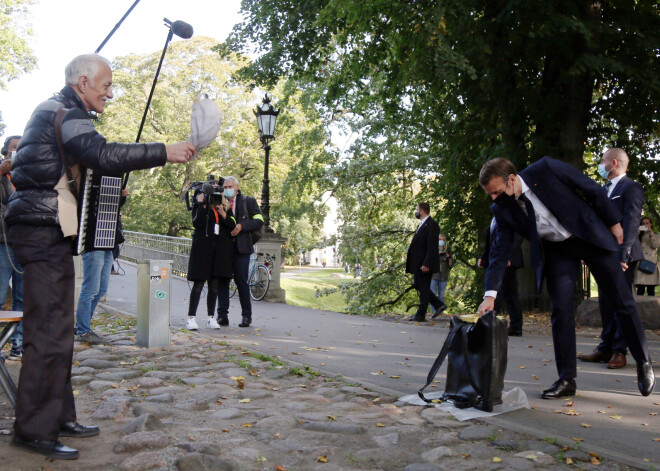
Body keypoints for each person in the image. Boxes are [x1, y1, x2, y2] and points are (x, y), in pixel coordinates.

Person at [5, 54, 194, 460]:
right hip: (42, 232)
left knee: (59, 328)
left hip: (46, 231)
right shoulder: (64, 112)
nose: (111, 92)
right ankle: (33, 430)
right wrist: (165, 150)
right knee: (48, 332)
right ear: (84, 81)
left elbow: (87, 165)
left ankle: (60, 415)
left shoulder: (62, 110)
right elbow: (103, 156)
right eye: (106, 85)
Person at [477, 157, 654, 400]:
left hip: (589, 236)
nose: (494, 199)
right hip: (557, 250)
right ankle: (566, 379)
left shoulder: (545, 169)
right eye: (490, 194)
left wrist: (614, 223)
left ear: (511, 179)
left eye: (497, 192)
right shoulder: (501, 208)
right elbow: (499, 253)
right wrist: (490, 297)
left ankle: (643, 361)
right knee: (560, 311)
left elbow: (590, 188)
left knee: (621, 301)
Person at [578, 148, 644, 369]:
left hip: (621, 255)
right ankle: (605, 348)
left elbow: (632, 222)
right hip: (602, 253)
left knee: (620, 304)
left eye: (602, 161)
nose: (600, 165)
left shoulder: (630, 187)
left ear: (613, 163)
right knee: (606, 303)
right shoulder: (604, 190)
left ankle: (619, 351)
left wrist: (623, 253)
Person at [75, 188, 128, 345]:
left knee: (101, 289)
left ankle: (82, 326)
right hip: (93, 245)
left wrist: (122, 198)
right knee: (90, 289)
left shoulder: (109, 188)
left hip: (108, 244)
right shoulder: (89, 188)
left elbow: (110, 210)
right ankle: (83, 330)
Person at [216, 176, 263, 328]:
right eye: (225, 187)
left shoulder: (248, 201)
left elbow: (259, 220)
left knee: (241, 282)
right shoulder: (219, 201)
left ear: (236, 188)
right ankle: (222, 316)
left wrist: (242, 226)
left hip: (242, 249)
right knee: (223, 281)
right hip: (225, 248)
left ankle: (246, 316)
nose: (227, 190)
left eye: (230, 187)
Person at [186, 187, 236, 330]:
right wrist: (202, 204)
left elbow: (232, 225)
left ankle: (210, 317)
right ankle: (191, 317)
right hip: (203, 251)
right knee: (199, 285)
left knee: (214, 286)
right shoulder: (201, 206)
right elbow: (197, 223)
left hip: (218, 252)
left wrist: (223, 214)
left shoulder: (224, 208)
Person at [478, 218, 524, 335]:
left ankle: (487, 323)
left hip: (505, 260)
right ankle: (515, 326)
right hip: (496, 259)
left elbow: (517, 237)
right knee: (509, 293)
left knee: (497, 291)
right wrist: (484, 257)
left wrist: (509, 257)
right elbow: (491, 240)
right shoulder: (495, 217)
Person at [0, 135, 24, 360]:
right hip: (2, 242)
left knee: (22, 297)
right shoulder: (1, 174)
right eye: (14, 149)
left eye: (21, 148)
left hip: (24, 242)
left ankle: (17, 345)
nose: (17, 152)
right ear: (5, 151)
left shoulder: (27, 174)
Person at [406, 202, 446, 322]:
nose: (416, 212)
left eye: (417, 209)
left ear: (422, 211)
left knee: (423, 287)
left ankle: (421, 314)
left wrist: (426, 263)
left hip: (425, 263)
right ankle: (438, 304)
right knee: (419, 285)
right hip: (418, 263)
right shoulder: (422, 224)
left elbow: (432, 247)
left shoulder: (432, 225)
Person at [634, 217, 660, 296]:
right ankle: (638, 307)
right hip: (640, 263)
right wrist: (636, 235)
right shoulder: (638, 235)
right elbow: (632, 246)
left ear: (651, 224)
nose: (645, 225)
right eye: (643, 224)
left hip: (650, 263)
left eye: (647, 223)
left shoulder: (656, 235)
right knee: (640, 289)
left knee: (651, 289)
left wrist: (651, 233)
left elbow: (655, 245)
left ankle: (652, 308)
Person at [430, 234, 453, 318]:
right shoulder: (432, 250)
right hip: (433, 275)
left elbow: (450, 265)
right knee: (432, 294)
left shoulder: (447, 251)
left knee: (441, 295)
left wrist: (449, 257)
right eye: (440, 239)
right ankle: (433, 312)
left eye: (443, 240)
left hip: (444, 276)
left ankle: (441, 313)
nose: (441, 241)